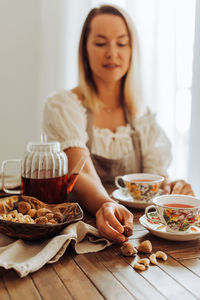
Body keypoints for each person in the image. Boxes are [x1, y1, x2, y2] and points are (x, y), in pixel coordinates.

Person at [42, 5, 194, 243]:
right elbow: (77, 171)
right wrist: (105, 204)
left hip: (137, 235)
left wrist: (173, 190)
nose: (112, 53)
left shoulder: (142, 117)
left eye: (121, 43)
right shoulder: (64, 105)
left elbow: (155, 181)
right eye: (101, 43)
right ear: (85, 50)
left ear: (132, 50)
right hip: (80, 234)